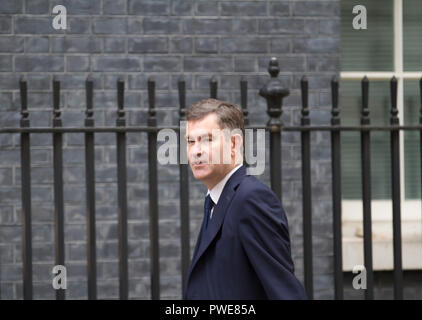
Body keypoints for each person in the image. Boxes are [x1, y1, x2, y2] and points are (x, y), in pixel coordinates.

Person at [183, 98, 307, 300]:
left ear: (233, 143)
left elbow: (285, 293)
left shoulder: (251, 200)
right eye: (190, 141)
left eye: (207, 139)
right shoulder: (215, 201)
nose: (196, 151)